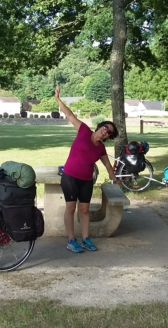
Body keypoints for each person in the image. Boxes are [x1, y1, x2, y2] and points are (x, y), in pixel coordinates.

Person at [55, 84, 119, 253]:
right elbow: (69, 115)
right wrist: (58, 99)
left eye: (109, 133)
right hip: (69, 177)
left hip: (86, 181)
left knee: (84, 210)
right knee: (71, 208)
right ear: (100, 126)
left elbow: (107, 165)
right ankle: (71, 240)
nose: (105, 132)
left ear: (107, 138)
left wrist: (115, 179)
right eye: (105, 128)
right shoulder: (83, 130)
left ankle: (86, 239)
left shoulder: (101, 149)